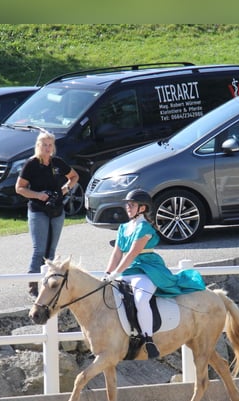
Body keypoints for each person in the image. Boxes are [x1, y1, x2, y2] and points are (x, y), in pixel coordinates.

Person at [103, 189, 206, 358]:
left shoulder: (145, 228)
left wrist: (115, 273)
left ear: (142, 208)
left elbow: (132, 253)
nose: (128, 207)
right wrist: (108, 273)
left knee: (141, 299)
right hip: (124, 271)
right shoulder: (123, 227)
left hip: (146, 271)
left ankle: (148, 338)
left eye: (132, 204)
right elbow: (117, 253)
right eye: (127, 204)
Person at [15, 130, 79, 297]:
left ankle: (47, 284)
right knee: (39, 250)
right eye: (44, 145)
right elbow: (19, 188)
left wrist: (64, 190)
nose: (48, 148)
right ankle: (32, 286)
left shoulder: (57, 162)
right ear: (38, 146)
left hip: (57, 210)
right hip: (38, 210)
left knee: (51, 250)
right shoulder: (31, 164)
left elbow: (74, 176)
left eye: (50, 145)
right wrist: (38, 195)